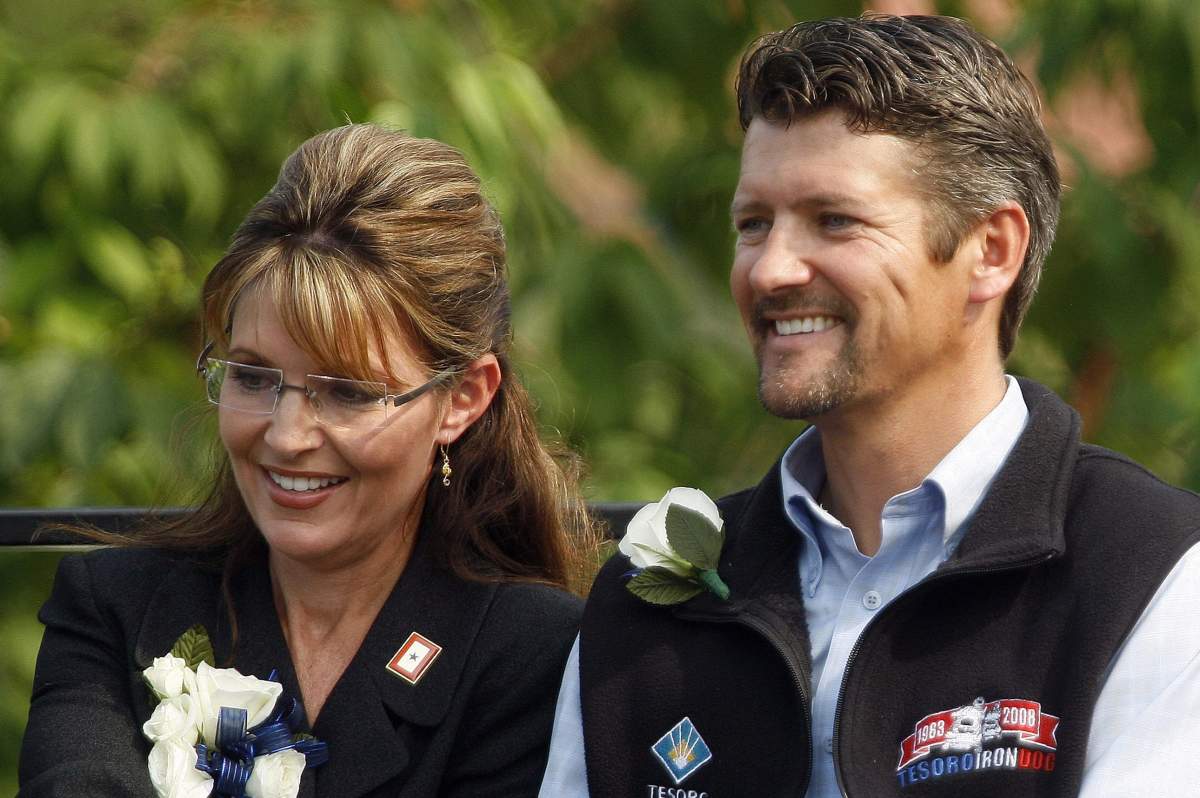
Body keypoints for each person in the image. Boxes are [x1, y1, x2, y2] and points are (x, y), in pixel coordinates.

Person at [540, 13, 1200, 798]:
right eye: (753, 224)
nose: (772, 268)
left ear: (992, 251)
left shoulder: (1154, 572)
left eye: (835, 221)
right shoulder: (646, 599)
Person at [20, 124, 595, 797]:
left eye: (348, 391)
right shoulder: (118, 610)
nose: (288, 435)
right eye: (254, 378)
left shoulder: (527, 651)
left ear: (463, 398)